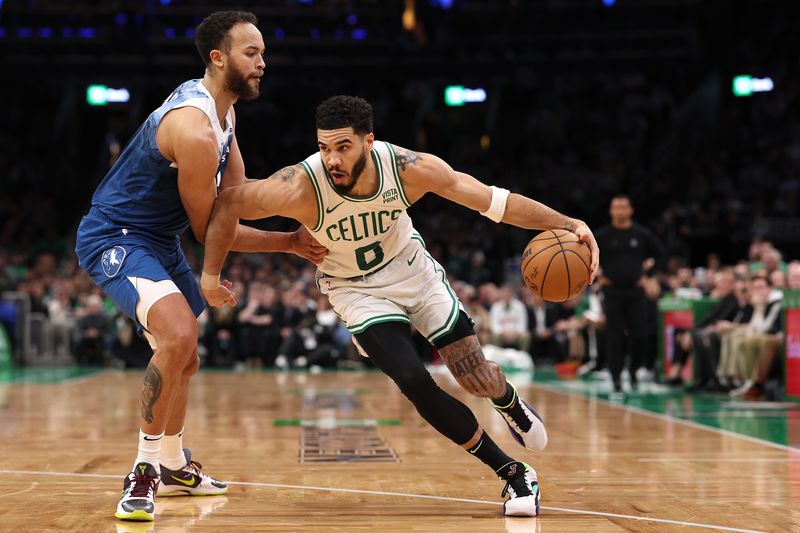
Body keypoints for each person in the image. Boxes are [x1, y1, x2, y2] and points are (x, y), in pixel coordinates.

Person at [200, 95, 600, 516]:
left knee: (475, 376)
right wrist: (228, 268)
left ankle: (508, 401)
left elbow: (495, 203)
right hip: (353, 287)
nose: (331, 159)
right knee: (413, 378)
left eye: (343, 147)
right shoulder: (300, 186)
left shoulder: (409, 169)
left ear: (368, 141)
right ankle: (512, 471)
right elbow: (227, 205)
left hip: (412, 272)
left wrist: (570, 224)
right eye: (323, 147)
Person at [74, 11, 326, 522]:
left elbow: (236, 202)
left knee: (186, 357)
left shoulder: (225, 114)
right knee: (179, 336)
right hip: (115, 237)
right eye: (251, 53)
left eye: (263, 53)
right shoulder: (194, 129)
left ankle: (173, 463)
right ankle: (143, 470)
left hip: (158, 238)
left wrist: (304, 213)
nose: (263, 63)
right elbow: (209, 227)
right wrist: (283, 243)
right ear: (218, 57)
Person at [594, 194, 665, 394]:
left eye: (624, 207)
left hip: (636, 291)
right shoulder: (603, 235)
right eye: (616, 207)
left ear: (631, 210)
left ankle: (634, 371)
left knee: (640, 334)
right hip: (612, 291)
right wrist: (597, 276)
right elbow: (586, 255)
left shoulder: (641, 234)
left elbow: (660, 254)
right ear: (611, 211)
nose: (620, 211)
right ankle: (616, 378)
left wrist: (647, 275)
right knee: (614, 336)